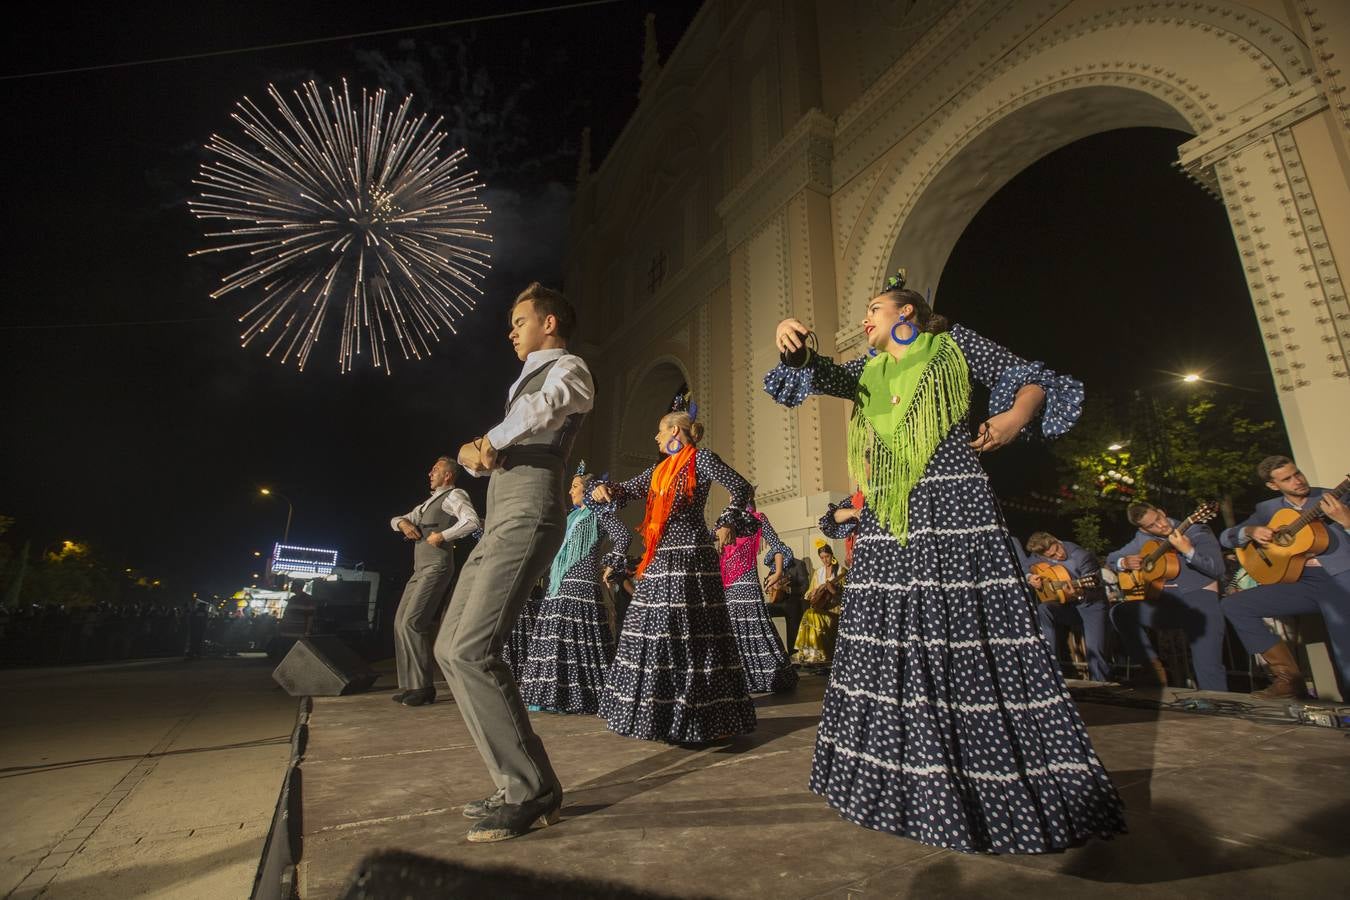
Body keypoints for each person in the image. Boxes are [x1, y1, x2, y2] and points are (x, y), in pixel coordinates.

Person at [766, 269, 1124, 853]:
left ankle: (989, 782)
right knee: (890, 637)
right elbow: (808, 375)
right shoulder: (865, 373)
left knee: (962, 628)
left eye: (875, 309)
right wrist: (790, 338)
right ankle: (899, 783)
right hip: (887, 510)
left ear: (907, 313)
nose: (865, 320)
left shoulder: (953, 346)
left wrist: (1012, 417)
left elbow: (1028, 378)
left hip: (954, 494)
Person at [433, 282, 593, 843]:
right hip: (500, 511)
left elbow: (545, 409)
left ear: (550, 323)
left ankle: (532, 791)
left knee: (476, 648)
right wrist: (475, 455)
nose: (511, 331)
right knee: (449, 648)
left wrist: (486, 440)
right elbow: (485, 457)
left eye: (519, 320)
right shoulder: (520, 383)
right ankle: (513, 781)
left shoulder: (568, 367)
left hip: (528, 510)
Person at [591, 400, 758, 744]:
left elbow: (741, 487)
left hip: (691, 559)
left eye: (660, 429)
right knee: (648, 630)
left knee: (690, 633)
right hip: (660, 557)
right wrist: (605, 489)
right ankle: (663, 717)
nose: (655, 436)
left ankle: (701, 720)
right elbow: (626, 491)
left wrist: (726, 521)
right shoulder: (659, 471)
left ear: (676, 431)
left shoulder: (702, 459)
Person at [1220, 455, 1350, 698]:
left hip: (1341, 578)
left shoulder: (1337, 495)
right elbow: (1226, 536)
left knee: (1345, 653)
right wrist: (1250, 531)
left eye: (1297, 473)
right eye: (1287, 479)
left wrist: (1346, 521)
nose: (1298, 481)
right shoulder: (1267, 509)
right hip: (1302, 581)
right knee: (1234, 604)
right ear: (1273, 485)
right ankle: (1288, 680)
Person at [519, 465, 622, 714]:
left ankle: (578, 698)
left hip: (581, 584)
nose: (570, 491)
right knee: (554, 641)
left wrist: (611, 561)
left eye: (575, 486)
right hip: (559, 584)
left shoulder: (599, 511)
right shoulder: (570, 518)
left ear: (588, 490)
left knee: (578, 642)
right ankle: (551, 696)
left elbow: (623, 536)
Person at [389, 456, 481, 706]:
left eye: (436, 470)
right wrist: (404, 523)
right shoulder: (427, 503)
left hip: (437, 566)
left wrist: (443, 535)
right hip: (419, 569)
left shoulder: (454, 496)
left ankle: (423, 687)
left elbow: (471, 521)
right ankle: (411, 685)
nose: (430, 473)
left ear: (448, 475)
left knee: (413, 621)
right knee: (400, 622)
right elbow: (395, 520)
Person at [1106, 503, 1227, 691]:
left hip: (1200, 600)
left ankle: (1220, 708)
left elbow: (1217, 569)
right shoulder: (1143, 538)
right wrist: (1124, 562)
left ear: (1162, 512)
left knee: (1207, 666)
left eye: (1159, 519)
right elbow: (1112, 558)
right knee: (1120, 612)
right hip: (1166, 603)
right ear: (1143, 529)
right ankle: (1152, 671)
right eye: (1152, 526)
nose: (1160, 526)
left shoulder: (1197, 530)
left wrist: (1188, 551)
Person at [719, 490, 798, 693]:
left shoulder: (758, 519)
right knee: (732, 631)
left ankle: (767, 675)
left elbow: (778, 546)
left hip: (746, 582)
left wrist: (778, 571)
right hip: (726, 583)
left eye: (733, 496)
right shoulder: (725, 520)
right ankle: (736, 678)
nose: (730, 499)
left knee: (754, 629)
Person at [1024, 532, 1111, 683]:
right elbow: (1025, 566)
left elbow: (1094, 585)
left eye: (1057, 548)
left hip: (1091, 604)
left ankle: (1100, 684)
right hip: (1067, 606)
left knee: (1095, 649)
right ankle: (1050, 674)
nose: (1059, 555)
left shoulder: (1082, 556)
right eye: (1052, 555)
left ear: (1057, 540)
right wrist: (1030, 578)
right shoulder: (1038, 557)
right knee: (1044, 609)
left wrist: (1078, 593)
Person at [795, 541, 846, 666]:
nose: (825, 560)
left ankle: (819, 655)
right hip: (821, 608)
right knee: (809, 613)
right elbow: (809, 593)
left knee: (813, 615)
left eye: (827, 556)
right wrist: (812, 593)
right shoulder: (818, 573)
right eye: (822, 558)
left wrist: (833, 591)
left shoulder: (841, 571)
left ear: (831, 555)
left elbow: (846, 595)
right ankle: (809, 653)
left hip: (835, 611)